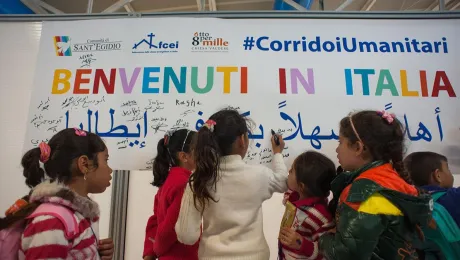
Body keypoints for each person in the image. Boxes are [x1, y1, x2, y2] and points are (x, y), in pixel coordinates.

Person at [174, 108, 288, 259]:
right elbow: (283, 182)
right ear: (242, 140)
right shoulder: (259, 175)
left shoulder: (198, 180)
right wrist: (278, 153)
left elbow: (186, 236)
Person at [318, 110, 432, 260]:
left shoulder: (364, 193)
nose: (337, 149)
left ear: (358, 147)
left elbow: (347, 254)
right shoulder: (392, 179)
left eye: (340, 142)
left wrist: (323, 239)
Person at [0, 128, 114, 260]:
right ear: (84, 164)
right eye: (106, 160)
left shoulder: (77, 215)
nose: (110, 170)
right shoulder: (52, 221)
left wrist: (95, 254)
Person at [143, 129, 199, 260]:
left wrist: (150, 253)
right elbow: (172, 226)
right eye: (199, 150)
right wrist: (157, 249)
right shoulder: (184, 184)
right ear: (184, 156)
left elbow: (155, 220)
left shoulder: (169, 180)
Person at [278, 151, 336, 260]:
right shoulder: (294, 196)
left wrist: (301, 244)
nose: (288, 173)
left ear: (301, 186)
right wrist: (278, 153)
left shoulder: (321, 217)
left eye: (291, 171)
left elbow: (326, 253)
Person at [404, 151, 460, 260]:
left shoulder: (403, 202)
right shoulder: (453, 198)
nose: (451, 174)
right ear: (437, 175)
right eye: (448, 169)